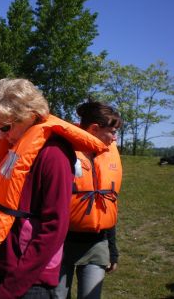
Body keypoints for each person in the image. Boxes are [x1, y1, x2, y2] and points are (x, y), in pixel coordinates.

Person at [0, 78, 107, 299]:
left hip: (27, 281)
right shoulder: (13, 146)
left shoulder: (53, 154)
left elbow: (54, 227)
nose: (1, 136)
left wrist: (12, 287)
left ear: (28, 115)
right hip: (0, 264)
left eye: (5, 127)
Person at [55, 100, 123, 299]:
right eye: (111, 131)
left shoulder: (109, 155)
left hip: (97, 245)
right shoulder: (63, 152)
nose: (114, 138)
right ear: (94, 129)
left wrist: (112, 250)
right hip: (61, 245)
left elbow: (108, 204)